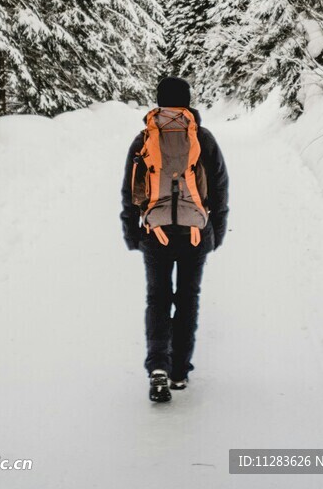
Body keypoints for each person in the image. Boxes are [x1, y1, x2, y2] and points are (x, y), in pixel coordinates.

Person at [120, 76, 229, 402]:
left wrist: (132, 232)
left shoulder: (143, 138)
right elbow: (220, 187)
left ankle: (158, 366)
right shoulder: (203, 137)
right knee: (187, 298)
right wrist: (217, 231)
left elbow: (129, 190)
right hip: (196, 232)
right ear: (187, 101)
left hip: (156, 233)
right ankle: (180, 371)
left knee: (158, 298)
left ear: (159, 101)